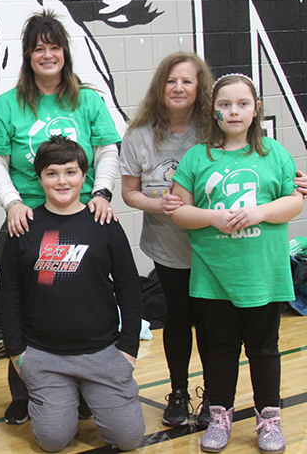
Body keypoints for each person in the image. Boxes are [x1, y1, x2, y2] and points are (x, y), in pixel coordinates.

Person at [0, 10, 122, 424]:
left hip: (82, 213)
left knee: (82, 296)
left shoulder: (87, 99)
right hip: (29, 218)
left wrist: (101, 192)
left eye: (53, 47)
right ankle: (25, 393)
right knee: (25, 302)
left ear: (64, 52)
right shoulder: (10, 104)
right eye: (38, 48)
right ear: (27, 55)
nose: (47, 55)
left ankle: (85, 387)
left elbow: (108, 148)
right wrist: (11, 203)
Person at [171, 74, 303, 453]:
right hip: (215, 276)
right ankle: (220, 415)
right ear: (213, 110)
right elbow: (179, 210)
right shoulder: (199, 156)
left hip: (262, 275)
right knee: (220, 350)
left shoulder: (273, 153)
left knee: (264, 349)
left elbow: (294, 201)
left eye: (242, 104)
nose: (233, 111)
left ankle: (269, 419)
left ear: (256, 108)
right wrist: (211, 218)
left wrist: (259, 212)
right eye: (225, 104)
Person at [0, 135, 145, 452]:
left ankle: (88, 394)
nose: (62, 181)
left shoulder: (103, 222)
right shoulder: (24, 225)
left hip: (103, 353)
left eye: (70, 172)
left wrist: (128, 350)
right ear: (39, 178)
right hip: (45, 356)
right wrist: (18, 355)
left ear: (84, 175)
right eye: (52, 173)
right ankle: (69, 396)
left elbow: (130, 287)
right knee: (52, 441)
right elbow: (8, 295)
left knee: (129, 439)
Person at [119, 52, 214, 428]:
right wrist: (160, 204)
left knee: (209, 323)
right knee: (178, 319)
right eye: (171, 81)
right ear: (160, 86)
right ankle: (177, 392)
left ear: (199, 88)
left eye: (187, 81)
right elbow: (129, 193)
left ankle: (215, 396)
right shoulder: (139, 134)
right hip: (167, 247)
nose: (178, 88)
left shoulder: (213, 132)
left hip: (211, 248)